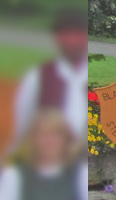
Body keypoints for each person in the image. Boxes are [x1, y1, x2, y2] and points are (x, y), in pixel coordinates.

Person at [13, 8, 89, 145]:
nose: (72, 41)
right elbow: (20, 123)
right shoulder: (39, 76)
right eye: (66, 35)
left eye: (78, 35)